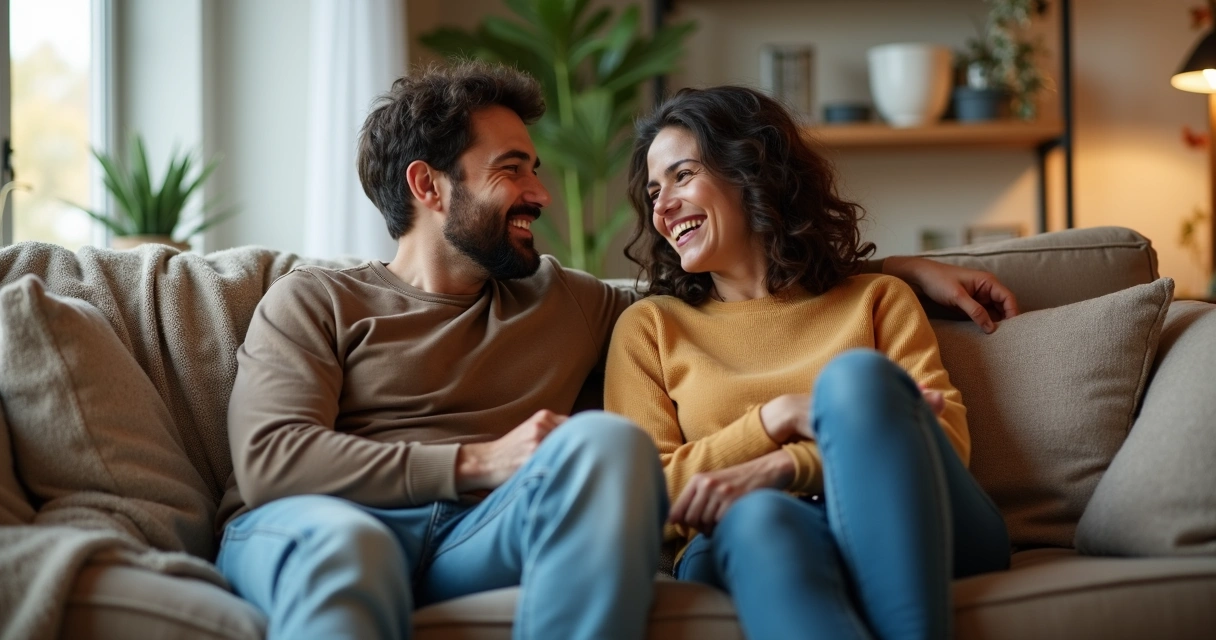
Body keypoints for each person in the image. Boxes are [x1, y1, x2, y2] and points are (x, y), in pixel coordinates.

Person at [217, 61, 1013, 640]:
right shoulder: (316, 299)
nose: (541, 194)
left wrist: (893, 270)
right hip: (332, 517)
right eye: (513, 171)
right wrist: (478, 461)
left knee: (610, 442)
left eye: (534, 170)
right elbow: (271, 458)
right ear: (428, 187)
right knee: (352, 546)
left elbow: (762, 298)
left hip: (475, 535)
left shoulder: (565, 301)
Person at [604, 85, 1014, 640]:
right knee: (757, 515)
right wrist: (769, 423)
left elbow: (944, 443)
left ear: (751, 170)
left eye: (683, 175)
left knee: (857, 378)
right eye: (654, 191)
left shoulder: (877, 299)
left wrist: (785, 466)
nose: (661, 207)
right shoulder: (651, 328)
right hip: (750, 536)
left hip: (916, 514)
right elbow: (642, 496)